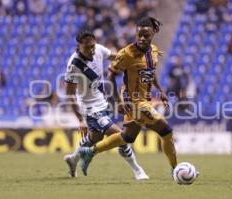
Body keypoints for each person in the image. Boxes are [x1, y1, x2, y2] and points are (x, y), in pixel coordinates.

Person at [78, 17, 180, 180]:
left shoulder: (153, 51)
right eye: (139, 34)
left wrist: (160, 90)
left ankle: (89, 151)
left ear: (153, 33)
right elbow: (110, 76)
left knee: (127, 137)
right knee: (166, 131)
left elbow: (150, 73)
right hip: (133, 102)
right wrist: (119, 101)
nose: (141, 38)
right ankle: (175, 170)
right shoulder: (126, 54)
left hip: (145, 100)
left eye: (146, 35)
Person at [63, 30, 149, 180]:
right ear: (79, 46)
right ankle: (138, 170)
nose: (91, 50)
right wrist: (80, 119)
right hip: (89, 107)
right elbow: (70, 94)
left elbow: (117, 57)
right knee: (119, 135)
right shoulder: (74, 65)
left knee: (95, 137)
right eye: (87, 47)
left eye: (93, 46)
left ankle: (73, 159)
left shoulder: (99, 50)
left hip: (102, 102)